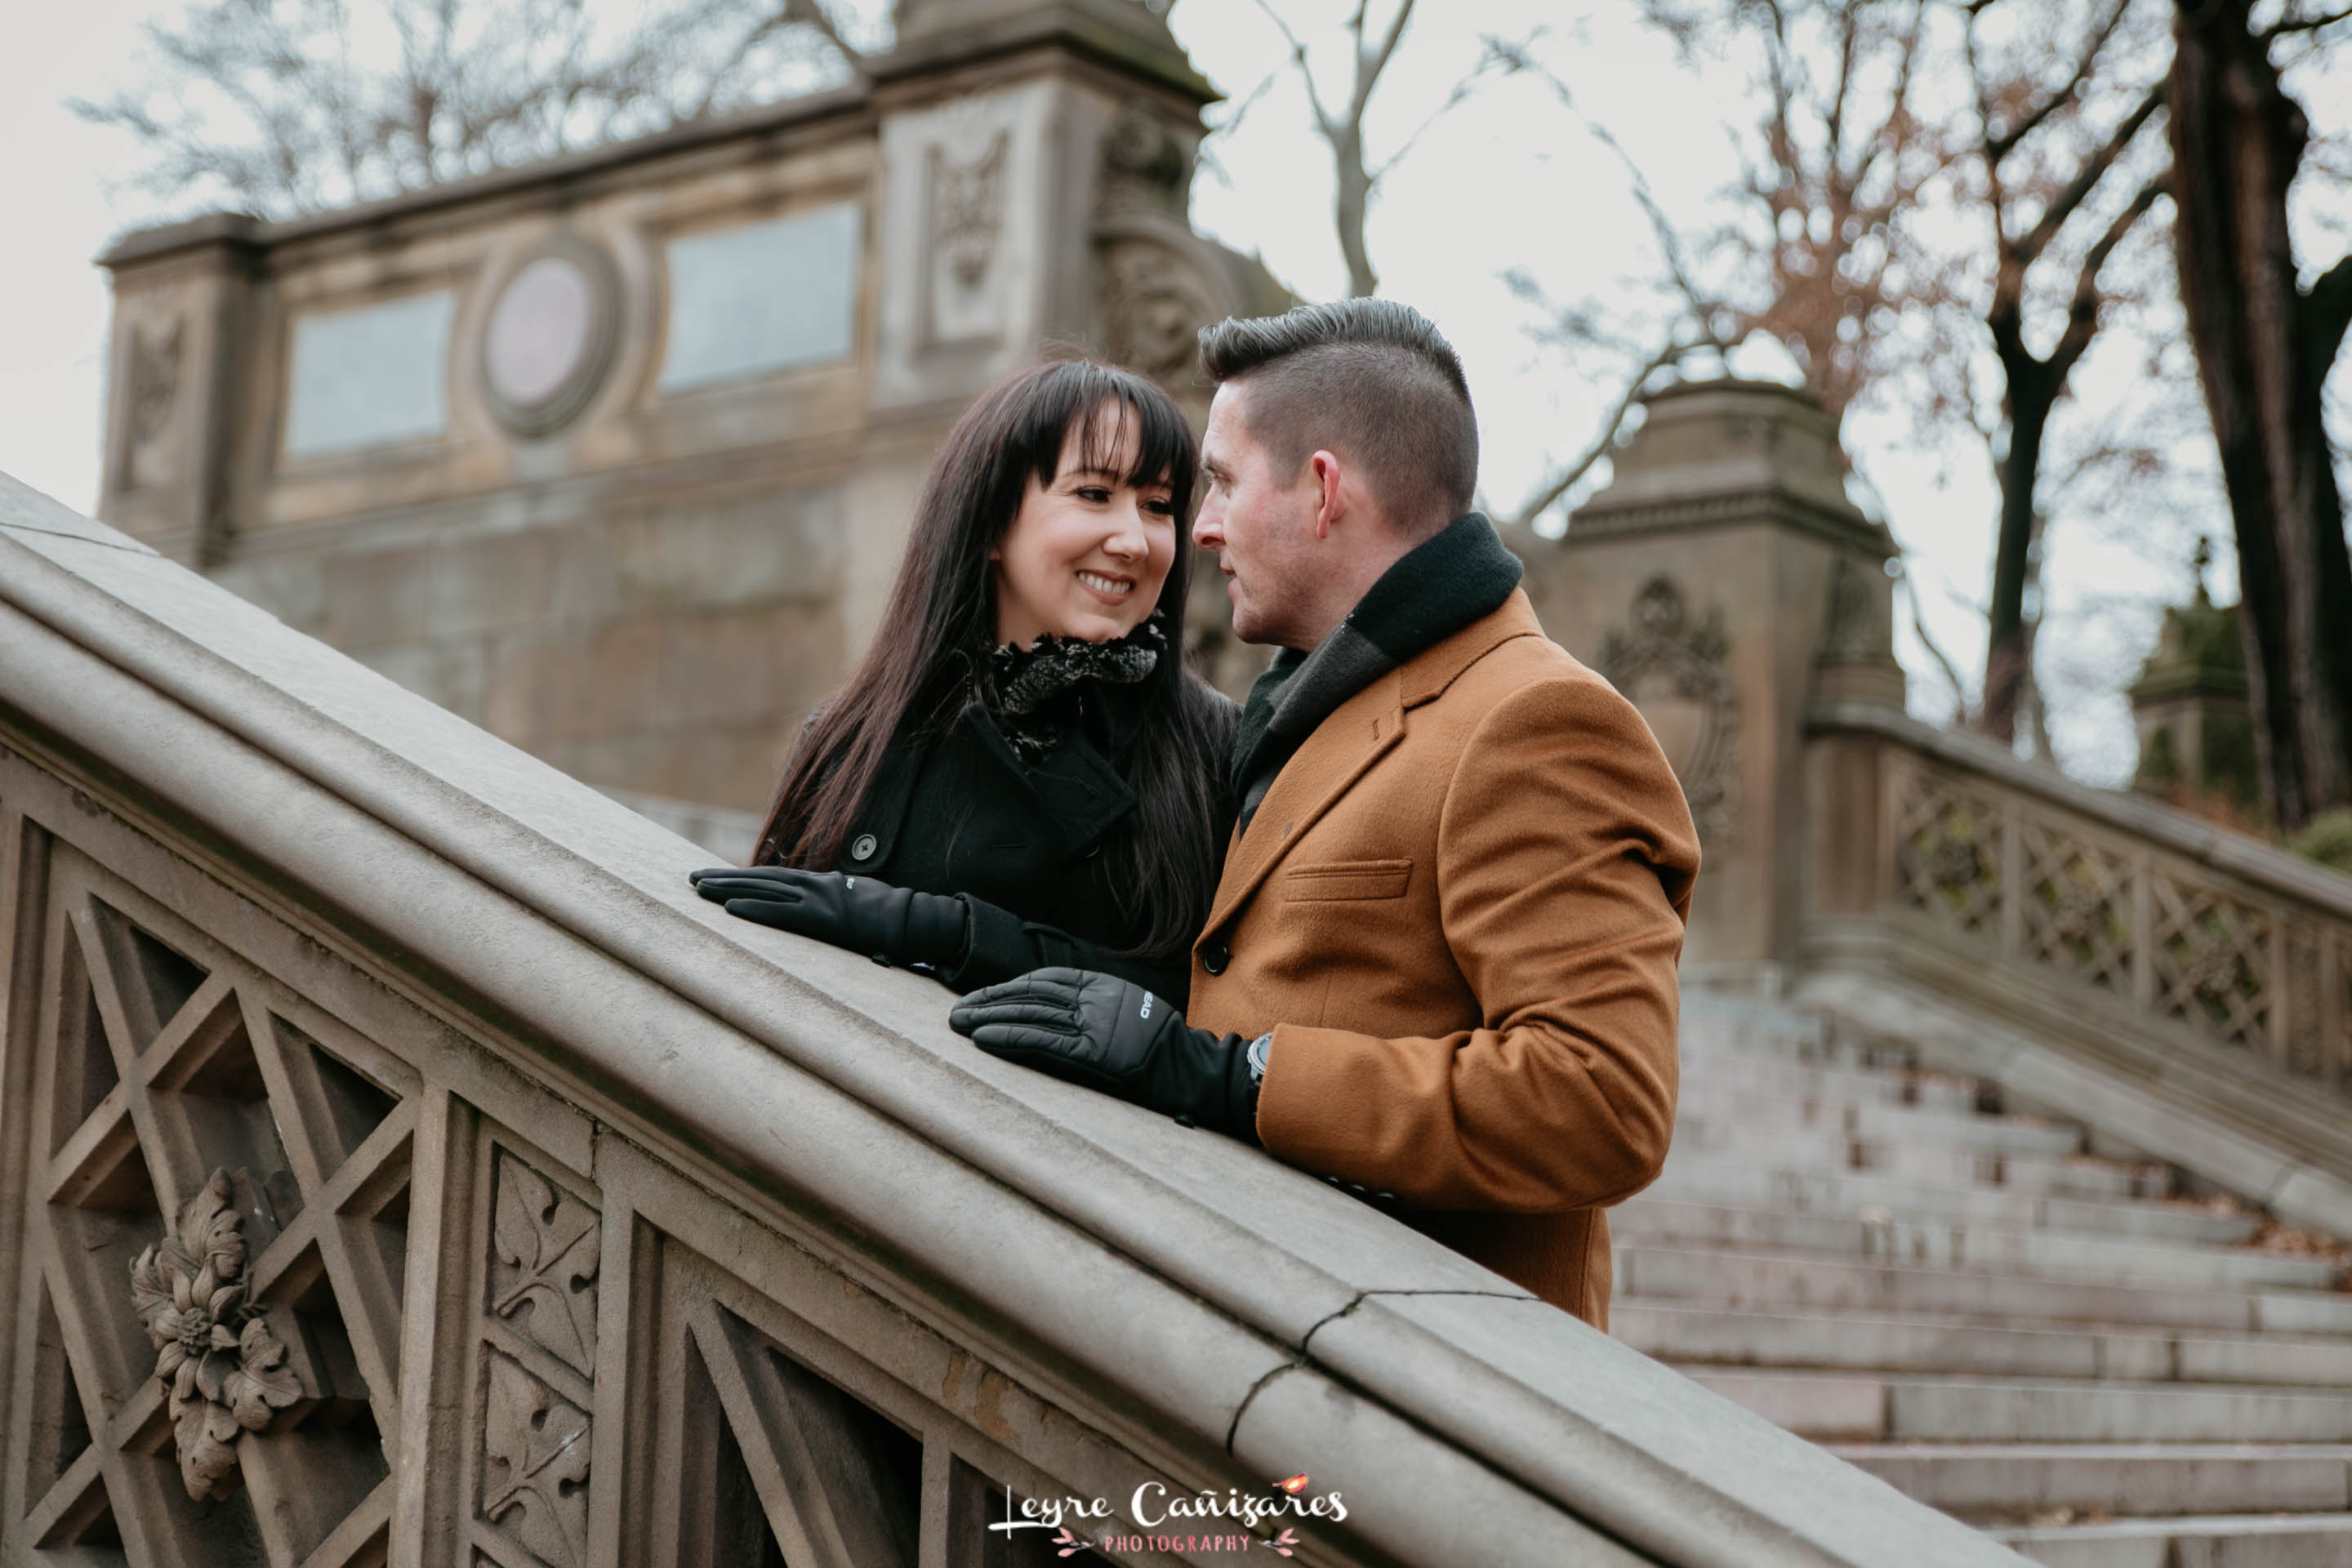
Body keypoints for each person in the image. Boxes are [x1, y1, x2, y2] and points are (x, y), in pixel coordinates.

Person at [949, 301, 1699, 1328]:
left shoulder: (1536, 720)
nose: (1198, 527)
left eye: (1219, 481)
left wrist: (1238, 1078)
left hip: (1428, 1399)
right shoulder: (1310, 702)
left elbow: (1599, 1103)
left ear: (1323, 489)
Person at [689, 359, 1235, 1004]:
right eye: (1094, 494)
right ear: (993, 521)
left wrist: (947, 933)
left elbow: (1205, 1013)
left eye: (1158, 506)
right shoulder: (856, 741)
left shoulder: (1213, 749)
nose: (1134, 540)